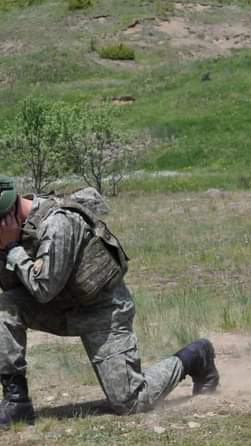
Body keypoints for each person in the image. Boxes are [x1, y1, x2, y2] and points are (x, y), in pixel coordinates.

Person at [0, 176, 220, 428]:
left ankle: (195, 357)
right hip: (59, 308)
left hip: (102, 311)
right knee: (5, 307)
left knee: (131, 401)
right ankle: (16, 402)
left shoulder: (57, 224)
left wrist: (13, 249)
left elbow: (43, 289)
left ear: (8, 214)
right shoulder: (11, 232)